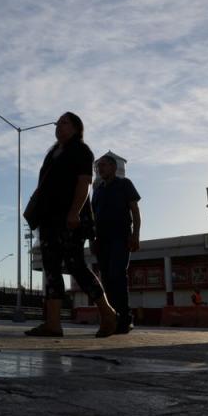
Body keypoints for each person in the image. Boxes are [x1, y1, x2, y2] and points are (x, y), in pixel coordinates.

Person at [25, 112, 116, 338]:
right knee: (51, 267)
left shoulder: (81, 151)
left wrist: (74, 212)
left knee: (76, 265)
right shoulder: (53, 153)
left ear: (76, 127)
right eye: (57, 123)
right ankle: (53, 323)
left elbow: (84, 183)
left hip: (70, 217)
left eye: (64, 122)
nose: (58, 126)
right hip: (49, 218)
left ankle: (108, 313)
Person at [91, 153, 141, 334]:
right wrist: (92, 240)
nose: (100, 169)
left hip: (121, 237)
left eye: (103, 165)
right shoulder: (97, 191)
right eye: (98, 167)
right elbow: (92, 219)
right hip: (102, 241)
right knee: (106, 280)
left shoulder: (124, 184)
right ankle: (111, 317)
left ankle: (125, 319)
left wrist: (135, 235)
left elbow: (135, 211)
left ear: (113, 167)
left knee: (117, 275)